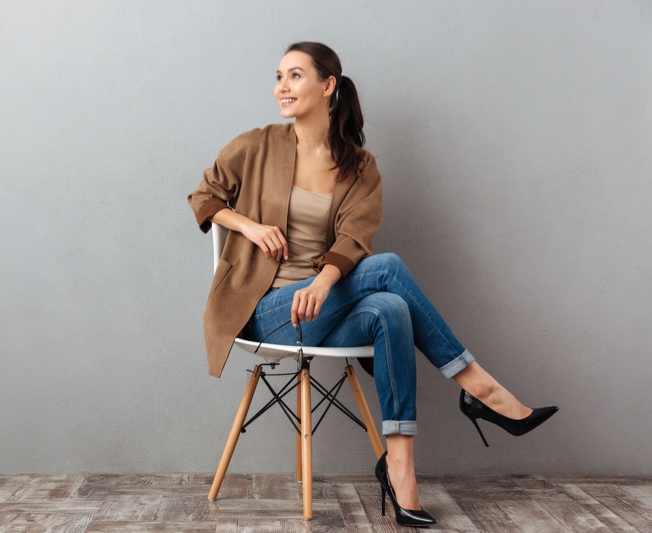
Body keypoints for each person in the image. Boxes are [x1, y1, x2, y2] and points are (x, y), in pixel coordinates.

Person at [187, 41, 558, 528]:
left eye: (295, 75)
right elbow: (203, 196)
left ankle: (401, 470)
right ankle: (481, 389)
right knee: (388, 268)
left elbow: (355, 237)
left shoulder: (360, 167)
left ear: (328, 86)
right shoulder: (255, 145)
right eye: (279, 76)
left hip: (320, 311)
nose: (282, 86)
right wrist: (251, 227)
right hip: (267, 311)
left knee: (391, 308)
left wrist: (322, 282)